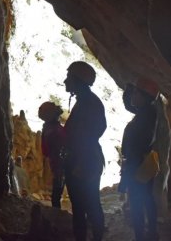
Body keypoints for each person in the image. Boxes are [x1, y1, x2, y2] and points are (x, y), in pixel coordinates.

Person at [63, 61, 106, 241]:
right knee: (84, 204)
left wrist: (81, 161)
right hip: (84, 159)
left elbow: (94, 130)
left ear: (77, 80)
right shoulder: (85, 101)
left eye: (69, 77)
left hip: (85, 160)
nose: (65, 81)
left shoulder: (88, 103)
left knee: (86, 205)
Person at [119, 77, 159, 241]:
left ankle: (141, 236)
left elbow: (135, 149)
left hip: (138, 165)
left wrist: (125, 178)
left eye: (136, 92)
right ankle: (151, 233)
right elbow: (130, 105)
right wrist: (129, 89)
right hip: (145, 162)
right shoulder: (148, 111)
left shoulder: (145, 115)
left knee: (137, 204)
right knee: (147, 199)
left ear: (144, 96)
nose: (133, 96)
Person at [39, 101, 66, 208]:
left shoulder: (48, 129)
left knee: (56, 193)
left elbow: (45, 151)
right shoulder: (56, 130)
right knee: (57, 192)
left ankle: (57, 215)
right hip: (62, 162)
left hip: (57, 162)